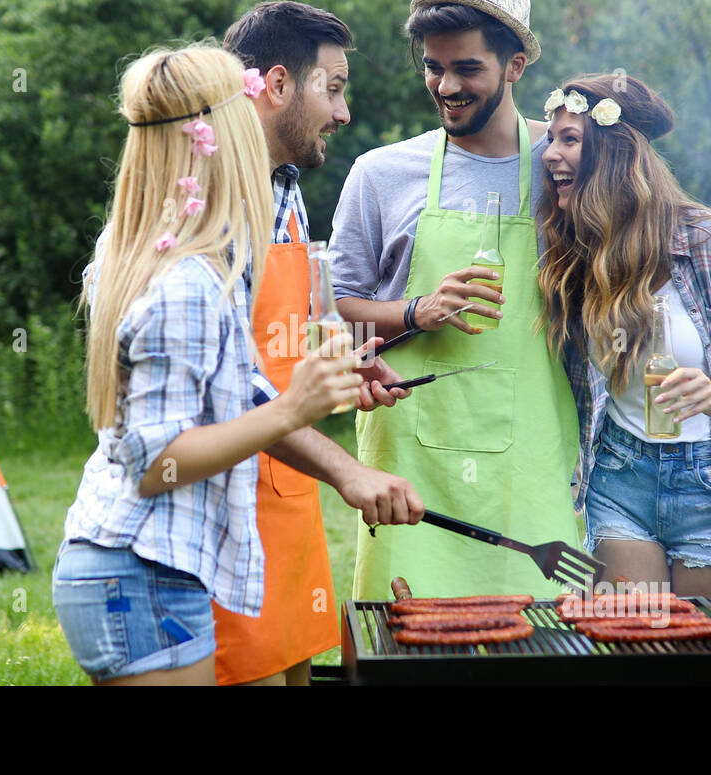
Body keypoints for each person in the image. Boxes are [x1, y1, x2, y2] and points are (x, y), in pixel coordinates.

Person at [52, 43, 391, 686]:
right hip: (144, 576)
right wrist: (296, 406)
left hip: (134, 571)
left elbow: (225, 396)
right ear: (220, 137)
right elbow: (158, 464)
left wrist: (335, 438)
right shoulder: (188, 278)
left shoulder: (160, 252)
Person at [328, 0, 582, 599]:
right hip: (410, 472)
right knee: (408, 645)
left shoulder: (567, 165)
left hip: (532, 461)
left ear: (515, 65)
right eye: (432, 67)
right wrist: (415, 312)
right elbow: (329, 310)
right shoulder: (381, 174)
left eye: (467, 68)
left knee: (535, 644)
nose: (446, 87)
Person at [212, 2, 423, 687]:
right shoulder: (205, 202)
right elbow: (220, 379)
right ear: (276, 85)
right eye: (332, 88)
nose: (344, 113)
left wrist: (349, 357)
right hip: (220, 506)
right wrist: (347, 470)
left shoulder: (288, 191)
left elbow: (296, 323)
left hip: (287, 492)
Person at [537, 73, 711, 621]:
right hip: (620, 475)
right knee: (639, 652)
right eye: (549, 138)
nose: (549, 154)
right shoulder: (573, 250)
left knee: (700, 661)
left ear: (614, 154)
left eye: (569, 139)